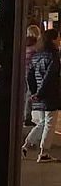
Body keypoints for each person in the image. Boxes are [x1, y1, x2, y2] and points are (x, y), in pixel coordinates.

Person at [24, 28, 61, 162]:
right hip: (49, 94)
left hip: (39, 94)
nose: (59, 40)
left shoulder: (37, 55)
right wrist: (40, 93)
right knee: (49, 124)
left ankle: (26, 145)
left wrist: (34, 92)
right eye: (58, 38)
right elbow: (50, 77)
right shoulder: (54, 55)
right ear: (53, 40)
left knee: (42, 123)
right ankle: (44, 152)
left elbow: (30, 75)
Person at [24, 23, 42, 128]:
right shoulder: (36, 46)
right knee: (29, 94)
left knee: (25, 94)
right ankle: (27, 117)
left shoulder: (25, 44)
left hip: (24, 72)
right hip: (32, 73)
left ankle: (24, 116)